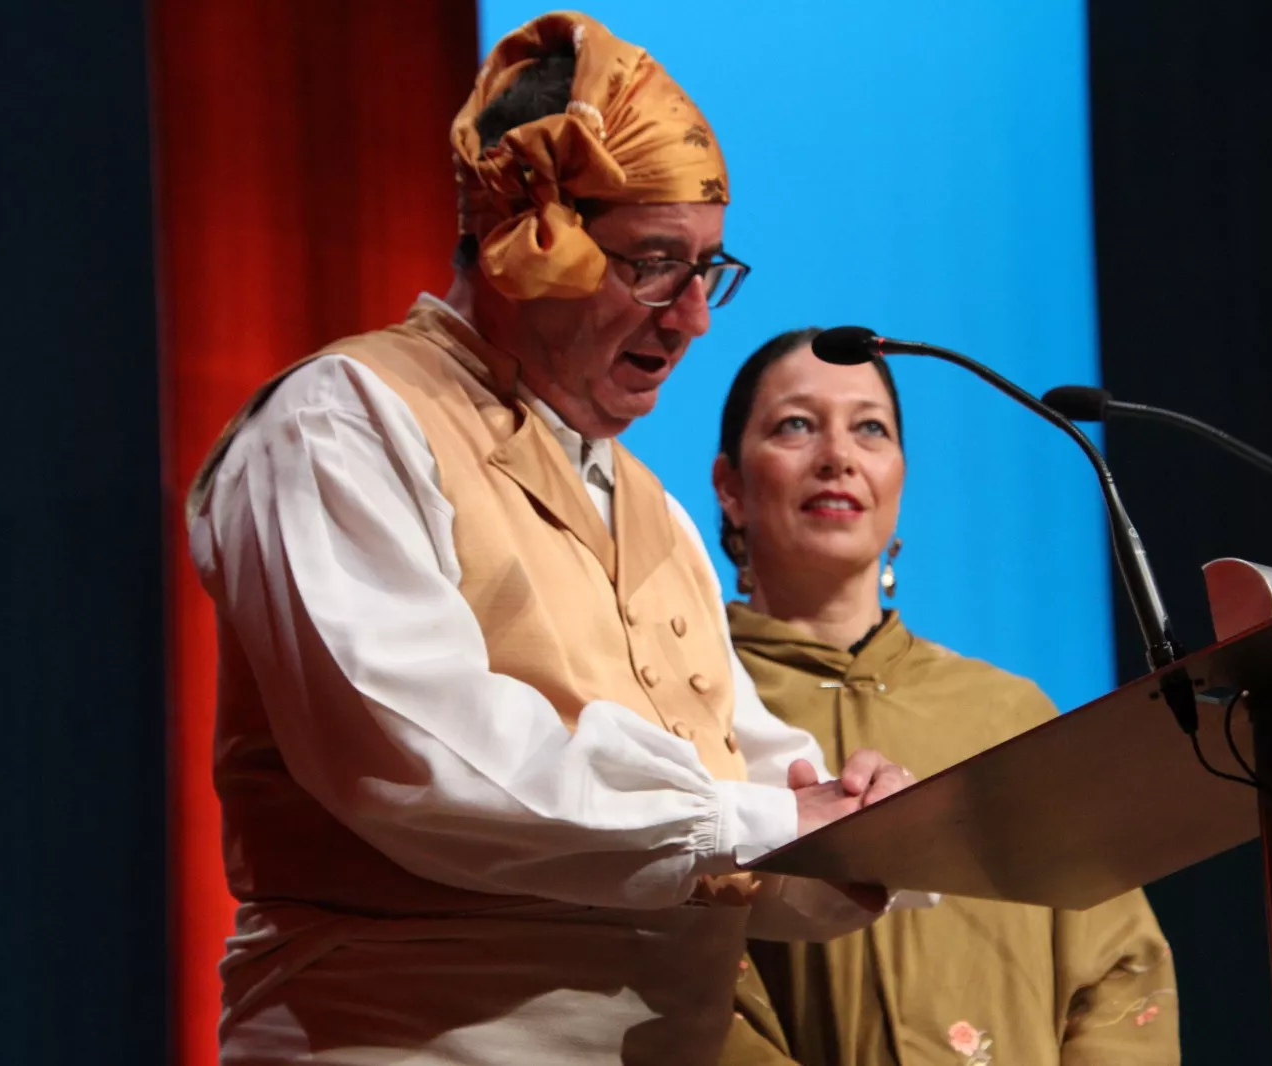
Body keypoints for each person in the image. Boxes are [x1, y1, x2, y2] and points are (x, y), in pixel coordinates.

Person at [185, 16, 917, 1066]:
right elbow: (424, 767)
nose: (695, 318)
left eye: (709, 269)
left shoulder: (648, 505)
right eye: (655, 265)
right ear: (523, 245)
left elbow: (734, 776)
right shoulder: (340, 423)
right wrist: (760, 822)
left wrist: (853, 827)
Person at [710, 329, 1181, 1066]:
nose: (838, 456)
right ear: (730, 486)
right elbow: (676, 973)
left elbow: (1123, 968)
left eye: (871, 428)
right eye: (796, 424)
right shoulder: (690, 694)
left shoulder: (1007, 715)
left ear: (900, 477)